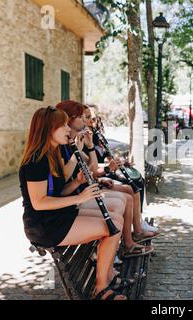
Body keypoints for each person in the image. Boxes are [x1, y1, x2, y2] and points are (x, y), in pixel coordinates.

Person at [19, 106, 127, 300]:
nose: (68, 129)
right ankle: (101, 289)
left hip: (58, 215)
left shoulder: (51, 155)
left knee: (115, 221)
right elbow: (39, 202)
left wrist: (77, 183)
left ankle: (106, 276)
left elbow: (58, 191)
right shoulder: (36, 161)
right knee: (112, 229)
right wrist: (80, 198)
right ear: (47, 130)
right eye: (62, 126)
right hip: (45, 226)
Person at [55, 100, 153, 258]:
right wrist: (83, 157)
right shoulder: (62, 146)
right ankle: (119, 247)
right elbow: (69, 177)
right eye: (82, 117)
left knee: (130, 190)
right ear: (68, 120)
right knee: (123, 199)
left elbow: (92, 167)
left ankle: (129, 240)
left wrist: (90, 147)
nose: (88, 121)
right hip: (77, 197)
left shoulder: (74, 142)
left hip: (83, 190)